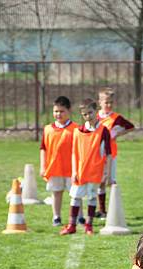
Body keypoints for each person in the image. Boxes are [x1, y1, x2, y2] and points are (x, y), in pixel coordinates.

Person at [60, 98, 112, 236]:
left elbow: (108, 154)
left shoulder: (103, 131)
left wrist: (107, 173)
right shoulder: (78, 131)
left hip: (95, 171)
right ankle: (72, 225)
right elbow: (74, 153)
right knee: (75, 197)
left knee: (92, 197)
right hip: (81, 172)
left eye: (90, 112)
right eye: (85, 114)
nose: (88, 116)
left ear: (96, 111)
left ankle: (89, 225)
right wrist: (74, 170)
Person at [96, 88, 134, 219]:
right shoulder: (94, 116)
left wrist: (118, 133)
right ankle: (102, 210)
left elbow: (130, 127)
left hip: (111, 152)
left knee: (110, 180)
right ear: (99, 102)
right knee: (100, 180)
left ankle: (114, 208)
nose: (109, 105)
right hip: (96, 153)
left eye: (111, 102)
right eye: (106, 102)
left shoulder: (116, 117)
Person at [40, 96, 78, 227]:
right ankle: (56, 217)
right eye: (56, 111)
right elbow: (43, 148)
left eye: (62, 111)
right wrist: (42, 166)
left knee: (75, 194)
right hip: (54, 168)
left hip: (71, 169)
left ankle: (77, 217)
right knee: (56, 193)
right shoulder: (48, 129)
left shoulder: (76, 129)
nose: (58, 114)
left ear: (69, 111)